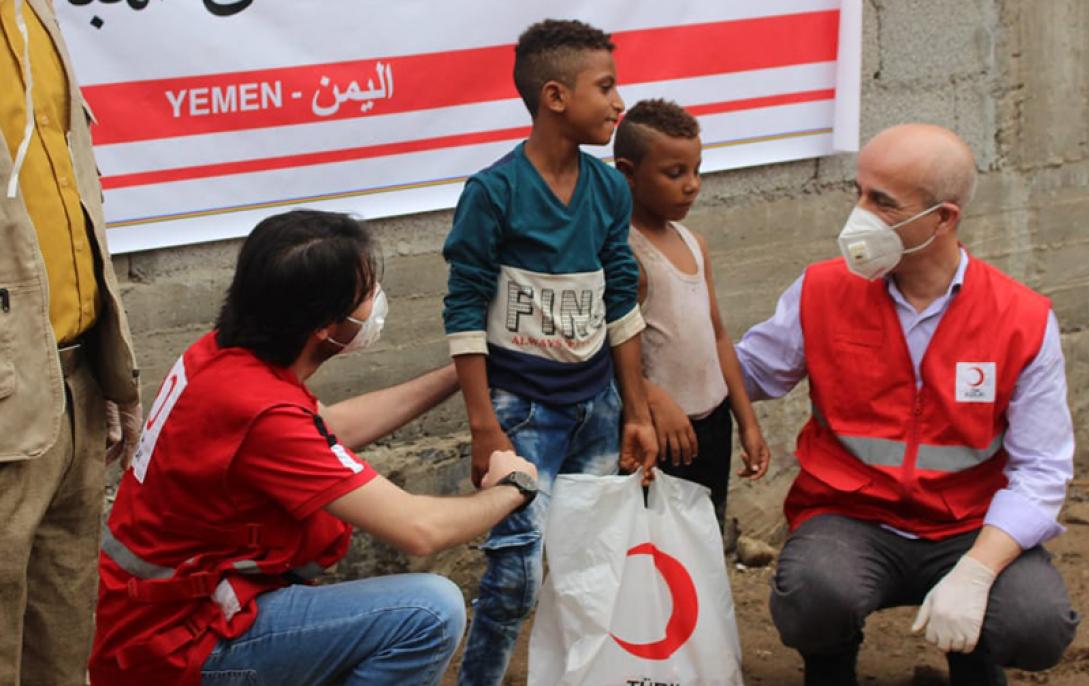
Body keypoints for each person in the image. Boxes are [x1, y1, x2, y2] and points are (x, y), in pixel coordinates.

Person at [88, 210, 541, 686]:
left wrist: (460, 373)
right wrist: (513, 486)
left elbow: (325, 429)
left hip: (151, 628)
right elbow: (418, 529)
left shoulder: (222, 356)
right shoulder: (259, 411)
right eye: (366, 294)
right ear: (325, 325)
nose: (376, 303)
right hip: (181, 653)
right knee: (428, 612)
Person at [736, 124, 1079, 686]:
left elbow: (1041, 470)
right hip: (851, 517)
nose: (859, 215)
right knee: (813, 595)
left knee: (1036, 624)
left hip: (968, 525)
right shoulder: (823, 289)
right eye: (859, 192)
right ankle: (830, 665)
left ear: (943, 218)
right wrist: (653, 366)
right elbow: (751, 370)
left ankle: (975, 660)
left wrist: (977, 570)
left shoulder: (1021, 319)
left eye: (882, 202)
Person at [442, 18, 659, 685]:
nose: (619, 103)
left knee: (591, 569)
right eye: (606, 87)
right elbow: (463, 311)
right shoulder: (494, 193)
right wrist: (486, 427)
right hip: (521, 413)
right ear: (556, 97)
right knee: (514, 576)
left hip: (596, 405)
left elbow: (621, 300)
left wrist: (636, 410)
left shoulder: (609, 190)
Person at [1, 0, 142, 683]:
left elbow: (74, 199)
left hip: (73, 384)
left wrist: (108, 372)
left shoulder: (36, 12)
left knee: (60, 652)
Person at [613, 99, 771, 529]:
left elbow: (719, 336)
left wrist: (747, 421)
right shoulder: (624, 253)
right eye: (675, 173)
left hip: (713, 424)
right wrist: (651, 397)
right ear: (627, 172)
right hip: (660, 431)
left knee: (705, 537)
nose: (692, 185)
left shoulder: (694, 243)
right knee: (659, 549)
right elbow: (605, 349)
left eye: (697, 170)